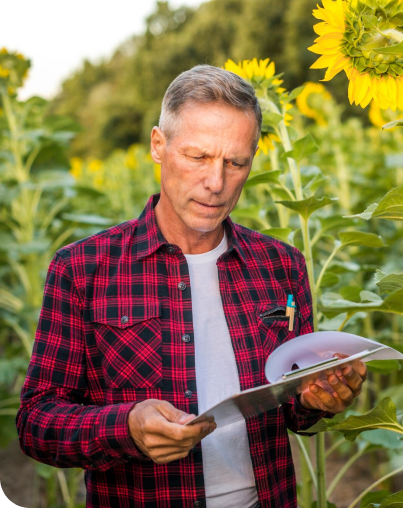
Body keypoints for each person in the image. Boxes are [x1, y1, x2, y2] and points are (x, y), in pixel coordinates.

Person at [16, 65, 367, 508]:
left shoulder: (282, 266)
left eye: (235, 162)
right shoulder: (83, 269)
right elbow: (36, 422)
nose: (216, 183)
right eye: (198, 157)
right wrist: (125, 427)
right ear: (158, 146)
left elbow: (295, 405)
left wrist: (324, 395)